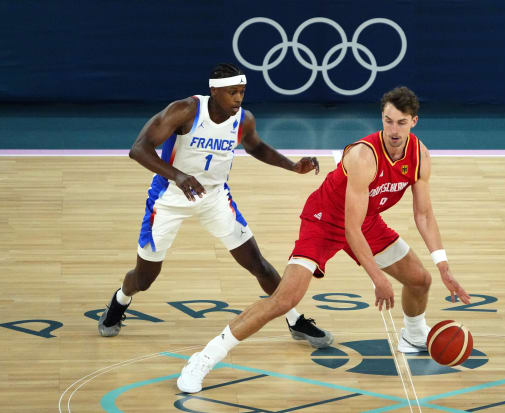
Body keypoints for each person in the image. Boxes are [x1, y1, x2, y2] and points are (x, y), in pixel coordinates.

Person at [177, 86, 471, 393]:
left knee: (420, 280)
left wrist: (443, 265)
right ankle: (204, 358)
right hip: (326, 220)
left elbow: (423, 214)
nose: (393, 130)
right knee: (285, 299)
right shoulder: (363, 156)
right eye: (388, 121)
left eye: (401, 122)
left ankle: (413, 334)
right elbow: (349, 229)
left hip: (366, 220)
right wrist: (377, 278)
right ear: (381, 118)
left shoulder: (420, 156)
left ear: (414, 122)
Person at [97, 63, 333, 349]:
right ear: (214, 91)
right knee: (145, 278)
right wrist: (179, 176)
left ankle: (295, 320)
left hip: (215, 197)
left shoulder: (243, 119)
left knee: (257, 264)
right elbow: (139, 149)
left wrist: (293, 166)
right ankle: (121, 298)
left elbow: (255, 145)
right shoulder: (185, 110)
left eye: (242, 92)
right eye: (232, 92)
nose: (238, 98)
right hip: (170, 197)